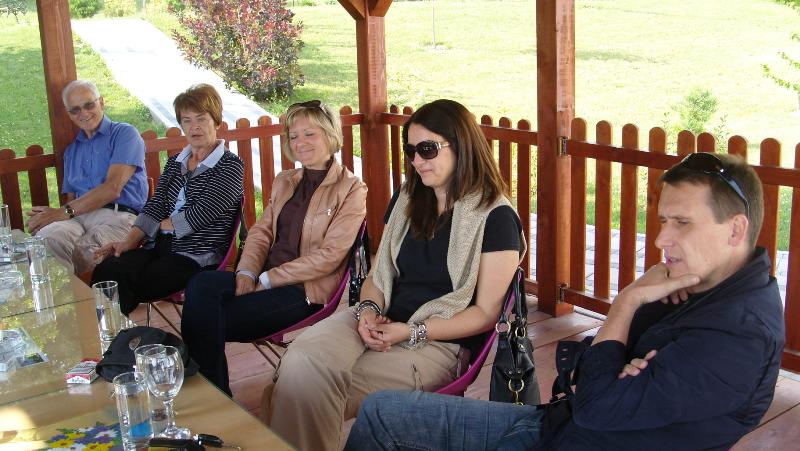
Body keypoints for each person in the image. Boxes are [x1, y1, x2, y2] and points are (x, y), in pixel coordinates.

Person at [345, 152, 786, 451]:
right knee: (382, 410)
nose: (660, 239)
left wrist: (625, 305)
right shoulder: (695, 286)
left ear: (735, 229)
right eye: (663, 220)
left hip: (574, 436)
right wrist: (614, 362)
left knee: (386, 421)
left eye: (682, 223)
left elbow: (597, 403)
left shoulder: (738, 334)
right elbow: (588, 368)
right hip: (554, 426)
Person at [262, 99, 527, 451]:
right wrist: (368, 309)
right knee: (300, 359)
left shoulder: (496, 217)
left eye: (427, 149)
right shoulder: (407, 198)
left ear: (461, 145)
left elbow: (485, 314)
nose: (417, 161)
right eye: (411, 151)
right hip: (379, 317)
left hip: (437, 342)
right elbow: (378, 274)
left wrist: (412, 330)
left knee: (298, 390)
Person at [180, 100, 367, 396]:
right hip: (261, 277)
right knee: (202, 284)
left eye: (310, 134)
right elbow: (261, 233)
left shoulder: (351, 189)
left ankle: (211, 395)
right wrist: (246, 272)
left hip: (303, 290)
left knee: (204, 319)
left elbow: (329, 257)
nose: (300, 142)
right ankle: (214, 394)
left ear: (330, 134)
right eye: (294, 136)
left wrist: (268, 279)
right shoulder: (286, 181)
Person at [92, 84, 244, 316]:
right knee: (107, 272)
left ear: (216, 122)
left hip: (196, 254)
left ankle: (118, 332)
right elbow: (156, 204)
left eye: (201, 119)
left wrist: (155, 227)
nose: (194, 127)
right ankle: (109, 332)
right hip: (159, 247)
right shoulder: (176, 162)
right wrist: (129, 242)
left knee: (133, 282)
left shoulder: (230, 166)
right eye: (187, 120)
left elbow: (197, 217)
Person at [27, 80, 148, 275]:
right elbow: (70, 201)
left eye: (89, 105)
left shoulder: (124, 134)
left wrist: (60, 213)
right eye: (75, 110)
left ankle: (70, 294)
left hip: (119, 216)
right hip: (78, 217)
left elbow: (112, 188)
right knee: (45, 241)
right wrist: (52, 216)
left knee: (81, 253)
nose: (83, 113)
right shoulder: (72, 151)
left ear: (102, 102)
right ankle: (63, 294)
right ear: (69, 114)